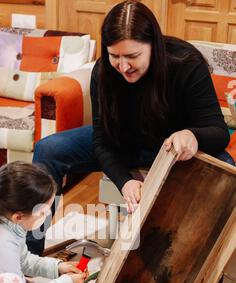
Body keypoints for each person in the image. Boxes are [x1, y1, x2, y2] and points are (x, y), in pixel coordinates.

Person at [26, 0, 234, 255]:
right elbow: (101, 140)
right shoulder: (103, 71)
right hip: (123, 145)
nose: (123, 67)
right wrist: (124, 182)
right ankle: (27, 257)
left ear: (153, 46)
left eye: (133, 56)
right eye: (115, 56)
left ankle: (205, 261)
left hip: (175, 154)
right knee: (49, 149)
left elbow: (219, 132)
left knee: (228, 172)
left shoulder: (186, 63)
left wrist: (193, 135)